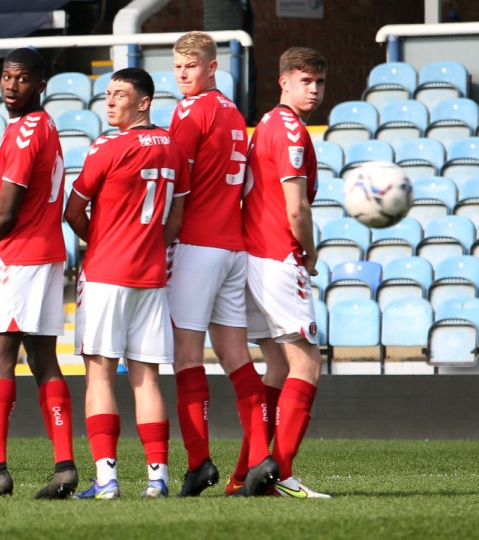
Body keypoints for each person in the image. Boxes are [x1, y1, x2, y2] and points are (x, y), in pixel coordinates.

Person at [64, 67, 188, 499]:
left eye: (120, 94)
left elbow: (73, 210)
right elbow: (176, 218)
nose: (110, 101)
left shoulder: (107, 146)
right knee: (146, 378)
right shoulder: (173, 146)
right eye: (108, 93)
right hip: (151, 276)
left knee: (99, 375)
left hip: (105, 275)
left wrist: (101, 239)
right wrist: (148, 243)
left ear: (144, 101)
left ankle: (106, 480)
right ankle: (157, 478)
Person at [166, 31, 277, 498]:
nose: (184, 75)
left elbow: (175, 179)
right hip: (233, 248)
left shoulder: (191, 111)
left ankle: (199, 463)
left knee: (186, 358)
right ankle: (259, 459)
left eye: (192, 66)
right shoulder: (233, 112)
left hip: (198, 245)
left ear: (213, 67)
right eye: (178, 68)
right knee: (236, 358)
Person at [0, 47, 77, 501]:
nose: (12, 85)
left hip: (19, 255)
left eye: (23, 78)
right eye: (7, 76)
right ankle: (65, 467)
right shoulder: (42, 126)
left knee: (0, 357)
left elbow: (6, 211)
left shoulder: (26, 132)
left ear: (41, 84)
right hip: (47, 254)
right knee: (44, 359)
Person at [242, 46, 331, 499]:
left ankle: (247, 473)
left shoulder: (266, 125)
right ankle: (283, 472)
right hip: (279, 256)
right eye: (304, 81)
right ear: (284, 81)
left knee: (276, 365)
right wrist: (310, 251)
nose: (313, 89)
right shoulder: (293, 132)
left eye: (318, 82)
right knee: (307, 362)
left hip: (252, 257)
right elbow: (297, 209)